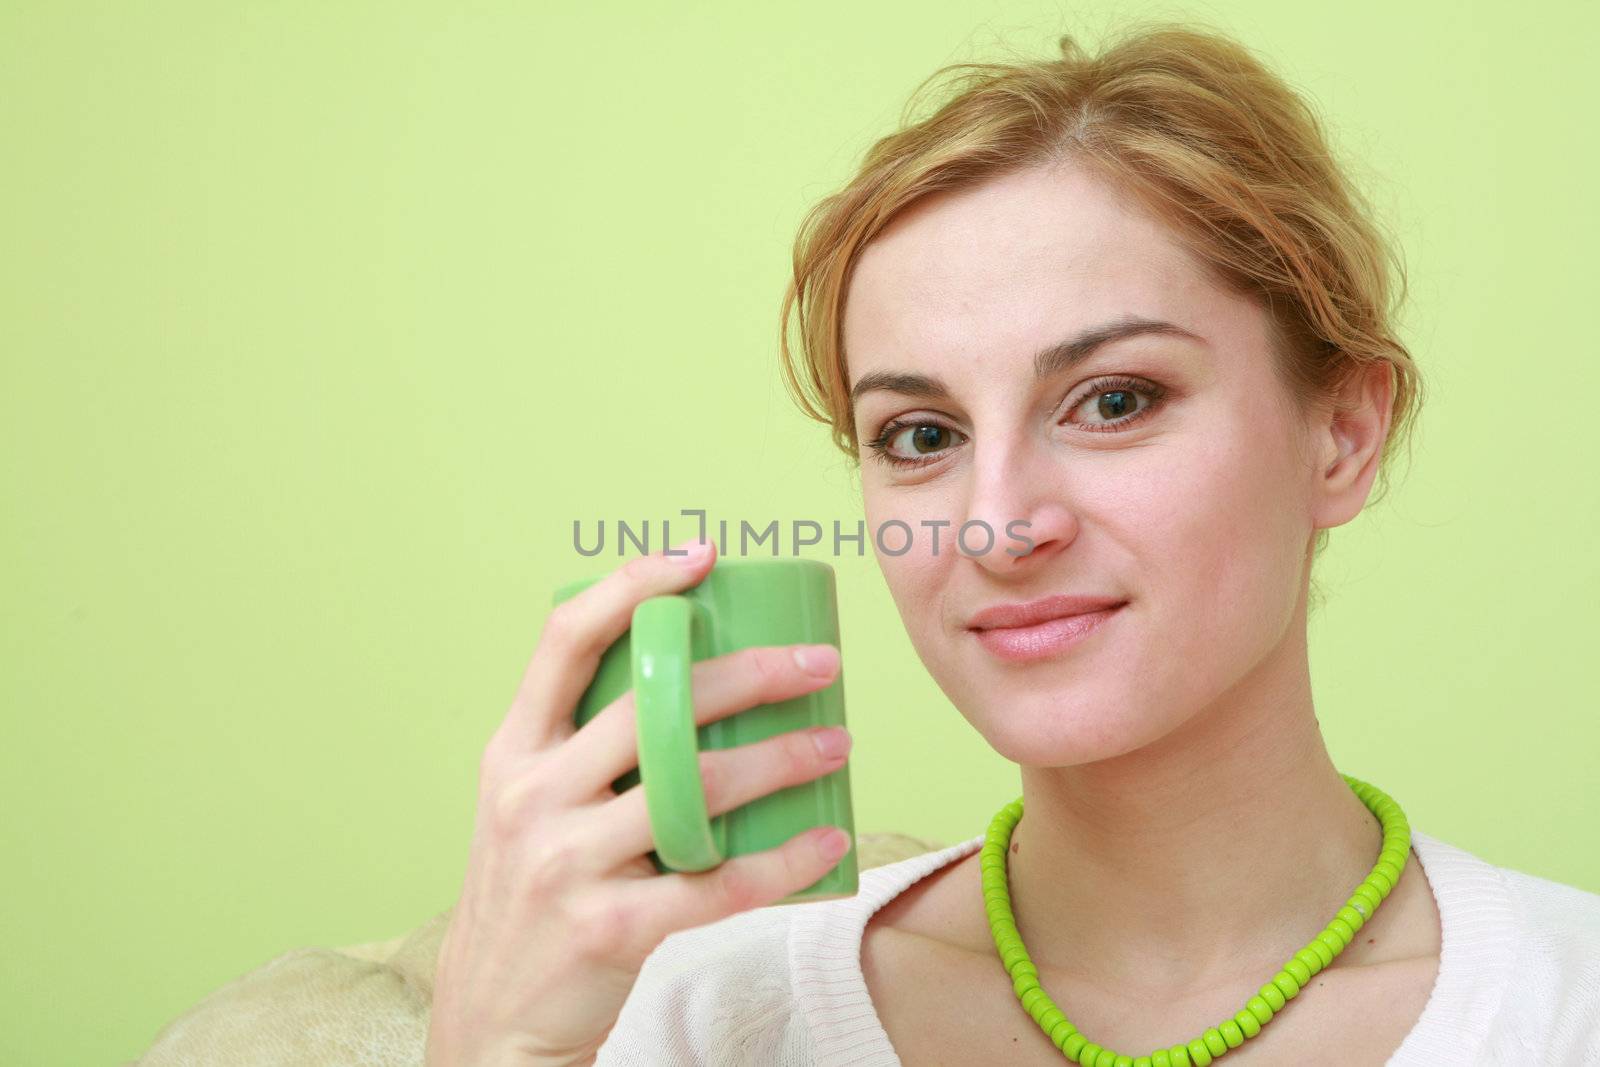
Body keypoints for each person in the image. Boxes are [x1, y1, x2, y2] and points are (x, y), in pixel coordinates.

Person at [424, 23, 1600, 1067]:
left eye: (1115, 399)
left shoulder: (1568, 1007)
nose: (998, 522)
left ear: (1341, 432)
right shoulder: (697, 1015)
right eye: (921, 432)